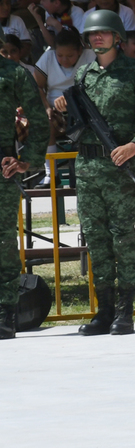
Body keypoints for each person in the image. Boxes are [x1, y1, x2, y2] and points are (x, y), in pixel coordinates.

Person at [55, 10, 135, 336]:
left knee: (122, 237)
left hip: (120, 167)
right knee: (97, 240)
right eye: (92, 34)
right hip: (87, 167)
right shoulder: (84, 74)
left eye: (103, 32)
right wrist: (63, 107)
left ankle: (125, 311)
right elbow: (76, 122)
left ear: (118, 37)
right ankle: (103, 310)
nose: (97, 37)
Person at [0, 34, 48, 339]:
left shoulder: (14, 73)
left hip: (1, 170)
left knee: (3, 241)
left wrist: (26, 161)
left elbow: (40, 122)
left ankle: (6, 312)